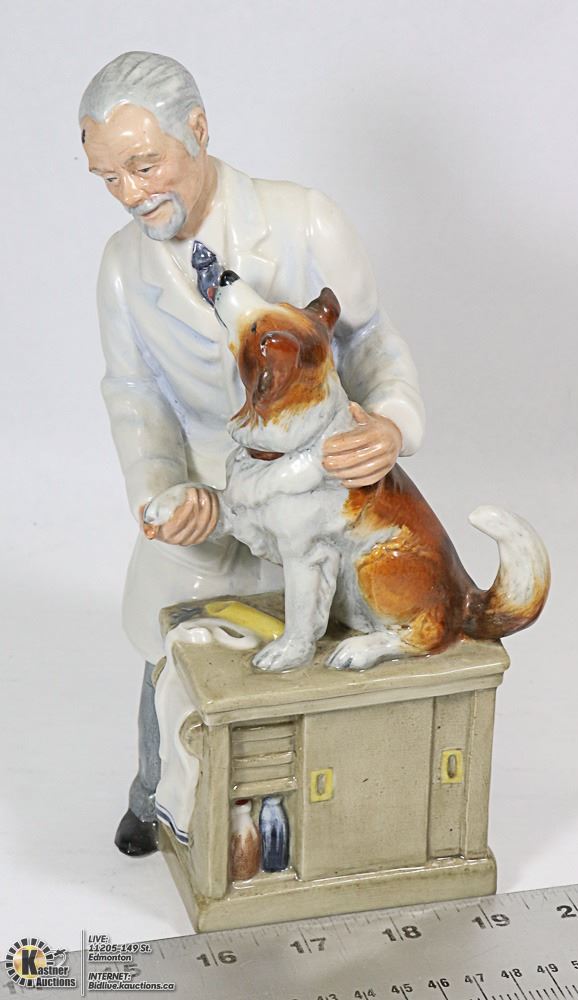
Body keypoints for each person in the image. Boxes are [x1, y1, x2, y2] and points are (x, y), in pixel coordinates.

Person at [80, 51, 426, 856]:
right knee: (171, 657)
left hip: (316, 497)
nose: (130, 193)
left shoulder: (305, 220)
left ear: (197, 130)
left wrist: (391, 426)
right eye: (107, 177)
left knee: (320, 662)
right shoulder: (123, 269)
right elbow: (133, 394)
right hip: (210, 504)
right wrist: (162, 491)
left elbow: (371, 342)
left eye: (144, 165)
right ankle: (156, 796)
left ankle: (304, 822)